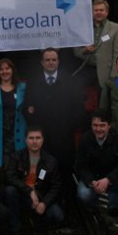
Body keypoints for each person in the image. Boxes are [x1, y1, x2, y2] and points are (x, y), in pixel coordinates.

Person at [23, 48, 85, 180]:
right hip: (42, 139)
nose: (51, 63)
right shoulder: (33, 82)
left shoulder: (70, 81)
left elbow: (79, 108)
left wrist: (68, 127)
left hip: (64, 138)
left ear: (58, 61)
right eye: (47, 60)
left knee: (65, 173)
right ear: (42, 63)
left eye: (53, 60)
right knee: (43, 175)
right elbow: (27, 108)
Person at [76, 110, 118, 235]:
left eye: (102, 125)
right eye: (95, 125)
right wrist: (91, 181)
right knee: (83, 193)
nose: (98, 129)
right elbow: (80, 166)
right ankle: (96, 211)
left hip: (114, 177)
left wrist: (108, 179)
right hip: (94, 179)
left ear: (109, 125)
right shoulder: (85, 139)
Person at [4, 126, 64, 235]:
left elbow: (56, 186)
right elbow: (10, 177)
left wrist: (44, 203)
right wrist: (29, 191)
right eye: (31, 138)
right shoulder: (16, 157)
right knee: (9, 190)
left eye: (38, 138)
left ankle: (34, 218)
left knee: (57, 215)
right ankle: (16, 226)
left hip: (41, 196)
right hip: (22, 195)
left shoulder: (51, 161)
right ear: (26, 140)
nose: (35, 141)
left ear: (43, 140)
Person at [0, 58, 27, 167]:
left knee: (16, 166)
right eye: (1, 69)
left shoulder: (23, 88)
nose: (4, 71)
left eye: (7, 68)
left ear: (12, 70)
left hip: (17, 134)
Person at [74, 0, 118, 91]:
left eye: (101, 10)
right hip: (85, 72)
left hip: (106, 74)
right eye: (96, 10)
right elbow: (76, 51)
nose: (98, 13)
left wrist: (114, 76)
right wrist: (85, 50)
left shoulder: (116, 28)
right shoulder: (83, 28)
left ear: (106, 12)